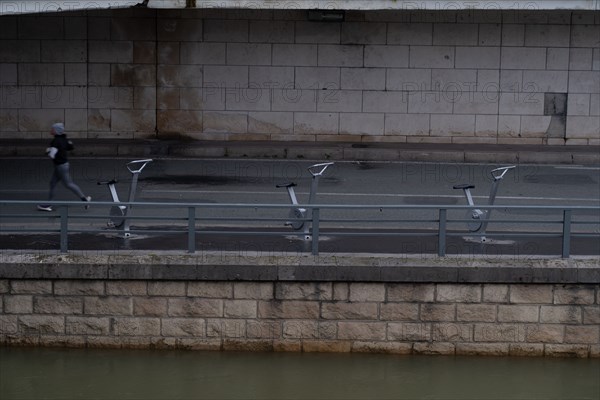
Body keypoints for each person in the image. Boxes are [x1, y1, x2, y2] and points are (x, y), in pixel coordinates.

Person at [37, 123, 91, 211]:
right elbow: (70, 147)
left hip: (60, 166)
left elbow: (52, 155)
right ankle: (49, 204)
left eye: (53, 129)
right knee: (53, 183)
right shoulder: (63, 139)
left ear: (56, 131)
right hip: (63, 165)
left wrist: (48, 151)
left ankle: (84, 200)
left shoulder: (55, 141)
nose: (51, 130)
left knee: (68, 184)